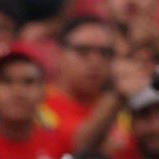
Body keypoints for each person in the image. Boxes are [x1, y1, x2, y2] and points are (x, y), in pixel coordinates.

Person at [41, 16, 120, 148]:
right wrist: (117, 96)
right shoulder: (37, 104)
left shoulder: (123, 110)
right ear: (58, 54)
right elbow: (74, 150)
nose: (95, 62)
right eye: (82, 51)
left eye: (105, 53)